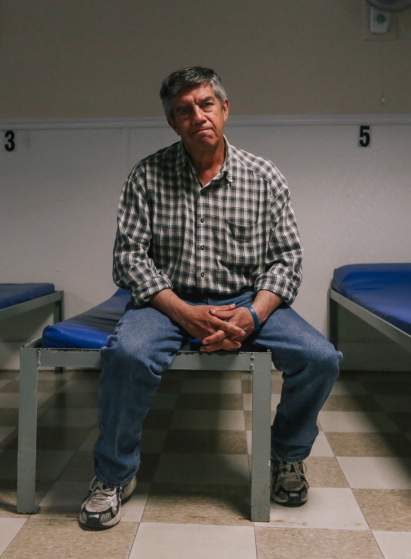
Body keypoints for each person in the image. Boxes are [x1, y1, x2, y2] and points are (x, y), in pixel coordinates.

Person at [79, 67, 342, 530]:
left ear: (224, 109)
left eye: (205, 104)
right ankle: (114, 475)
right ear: (172, 122)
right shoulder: (147, 175)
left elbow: (287, 261)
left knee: (320, 358)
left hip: (245, 298)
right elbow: (129, 258)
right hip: (166, 299)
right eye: (184, 110)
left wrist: (250, 316)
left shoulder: (264, 176)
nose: (197, 115)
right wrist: (183, 311)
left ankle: (286, 456)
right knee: (127, 355)